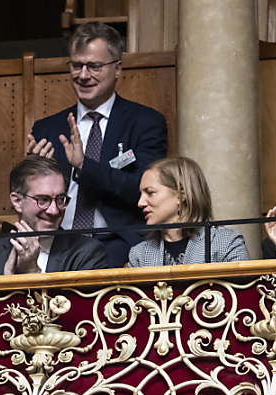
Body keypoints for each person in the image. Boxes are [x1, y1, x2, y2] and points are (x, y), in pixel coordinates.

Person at [27, 22, 168, 269]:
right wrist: (33, 171)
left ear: (117, 69)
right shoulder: (46, 129)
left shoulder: (145, 123)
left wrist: (84, 166)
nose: (83, 75)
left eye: (94, 66)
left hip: (118, 242)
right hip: (59, 241)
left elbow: (142, 189)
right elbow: (28, 196)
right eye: (76, 65)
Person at [0, 157, 108, 277]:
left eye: (60, 199)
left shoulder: (87, 253)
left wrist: (32, 272)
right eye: (43, 200)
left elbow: (78, 309)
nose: (54, 211)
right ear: (17, 201)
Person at [127, 157, 248, 268]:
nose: (140, 203)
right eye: (141, 194)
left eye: (150, 192)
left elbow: (242, 290)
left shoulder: (226, 243)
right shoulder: (139, 255)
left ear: (181, 194)